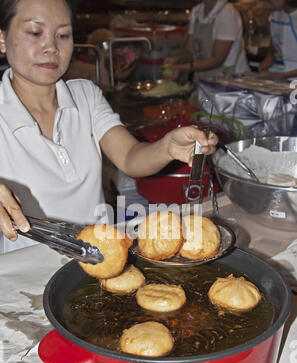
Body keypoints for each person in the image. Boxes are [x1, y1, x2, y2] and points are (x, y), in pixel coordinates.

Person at [0, 0, 218, 254]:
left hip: (100, 260)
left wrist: (167, 147)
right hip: (25, 276)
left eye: (63, 34)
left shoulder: (85, 95)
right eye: (35, 32)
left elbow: (128, 156)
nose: (51, 47)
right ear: (2, 39)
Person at [162, 0, 249, 83]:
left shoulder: (227, 13)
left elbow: (218, 59)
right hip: (205, 81)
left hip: (231, 84)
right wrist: (176, 60)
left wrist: (182, 68)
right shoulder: (196, 12)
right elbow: (189, 52)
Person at [258, 0, 297, 78]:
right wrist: (269, 57)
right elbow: (275, 38)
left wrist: (281, 75)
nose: (267, 6)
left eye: (269, 2)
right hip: (282, 71)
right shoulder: (275, 14)